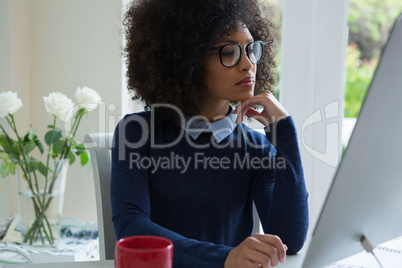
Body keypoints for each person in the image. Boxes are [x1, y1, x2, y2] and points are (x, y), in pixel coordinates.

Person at [111, 0, 309, 267]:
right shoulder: (136, 133)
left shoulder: (255, 147)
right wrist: (225, 257)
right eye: (229, 52)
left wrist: (284, 132)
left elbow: (288, 239)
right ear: (186, 59)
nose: (248, 64)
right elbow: (131, 227)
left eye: (251, 49)